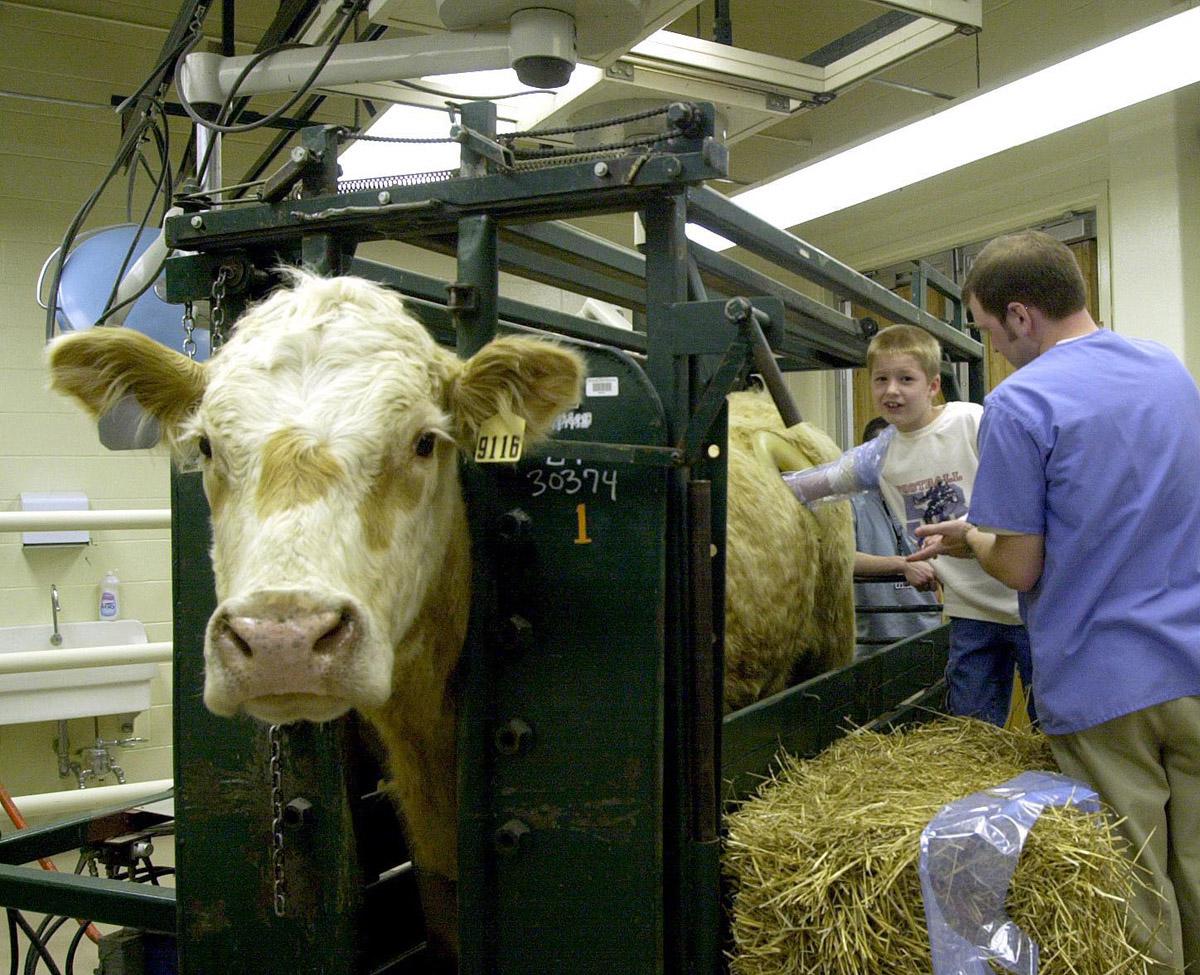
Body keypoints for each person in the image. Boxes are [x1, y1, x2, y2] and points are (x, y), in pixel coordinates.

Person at [910, 230, 1200, 972]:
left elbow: (1019, 564)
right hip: (1193, 661)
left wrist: (972, 537)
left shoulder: (1023, 400)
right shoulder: (1169, 369)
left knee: (1135, 887)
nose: (995, 349)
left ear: (1021, 315)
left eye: (986, 330)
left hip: (1106, 685)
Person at [854, 324, 1035, 728]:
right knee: (970, 730)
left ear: (934, 385)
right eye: (881, 379)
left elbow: (1018, 488)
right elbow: (819, 481)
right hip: (969, 608)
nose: (891, 391)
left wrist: (970, 530)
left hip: (1026, 600)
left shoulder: (969, 420)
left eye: (906, 379)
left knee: (1054, 720)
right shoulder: (880, 456)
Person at [848, 416, 942, 659]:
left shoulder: (926, 498)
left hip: (927, 636)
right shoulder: (850, 503)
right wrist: (901, 565)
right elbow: (843, 560)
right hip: (873, 644)